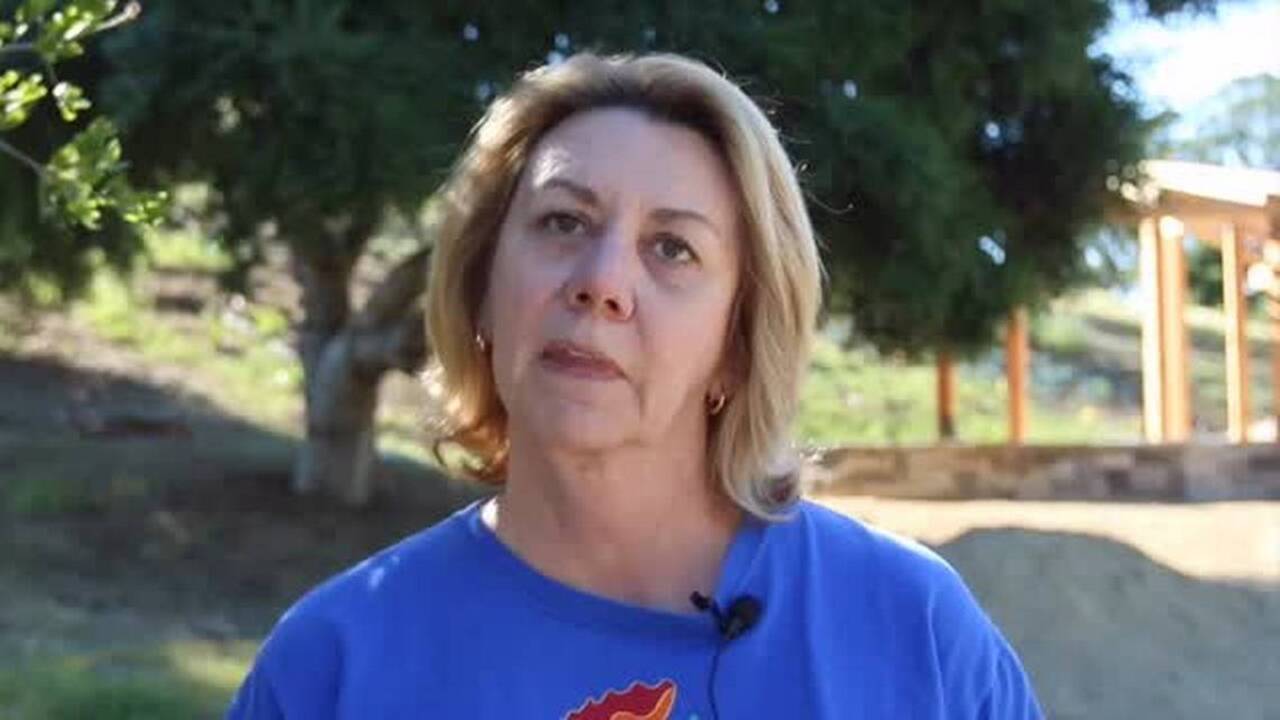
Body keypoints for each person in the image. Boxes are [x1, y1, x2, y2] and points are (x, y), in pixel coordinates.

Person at [227, 52, 1043, 719]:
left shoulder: (913, 633)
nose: (601, 282)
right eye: (563, 223)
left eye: (673, 249)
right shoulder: (331, 668)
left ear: (737, 341)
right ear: (481, 287)